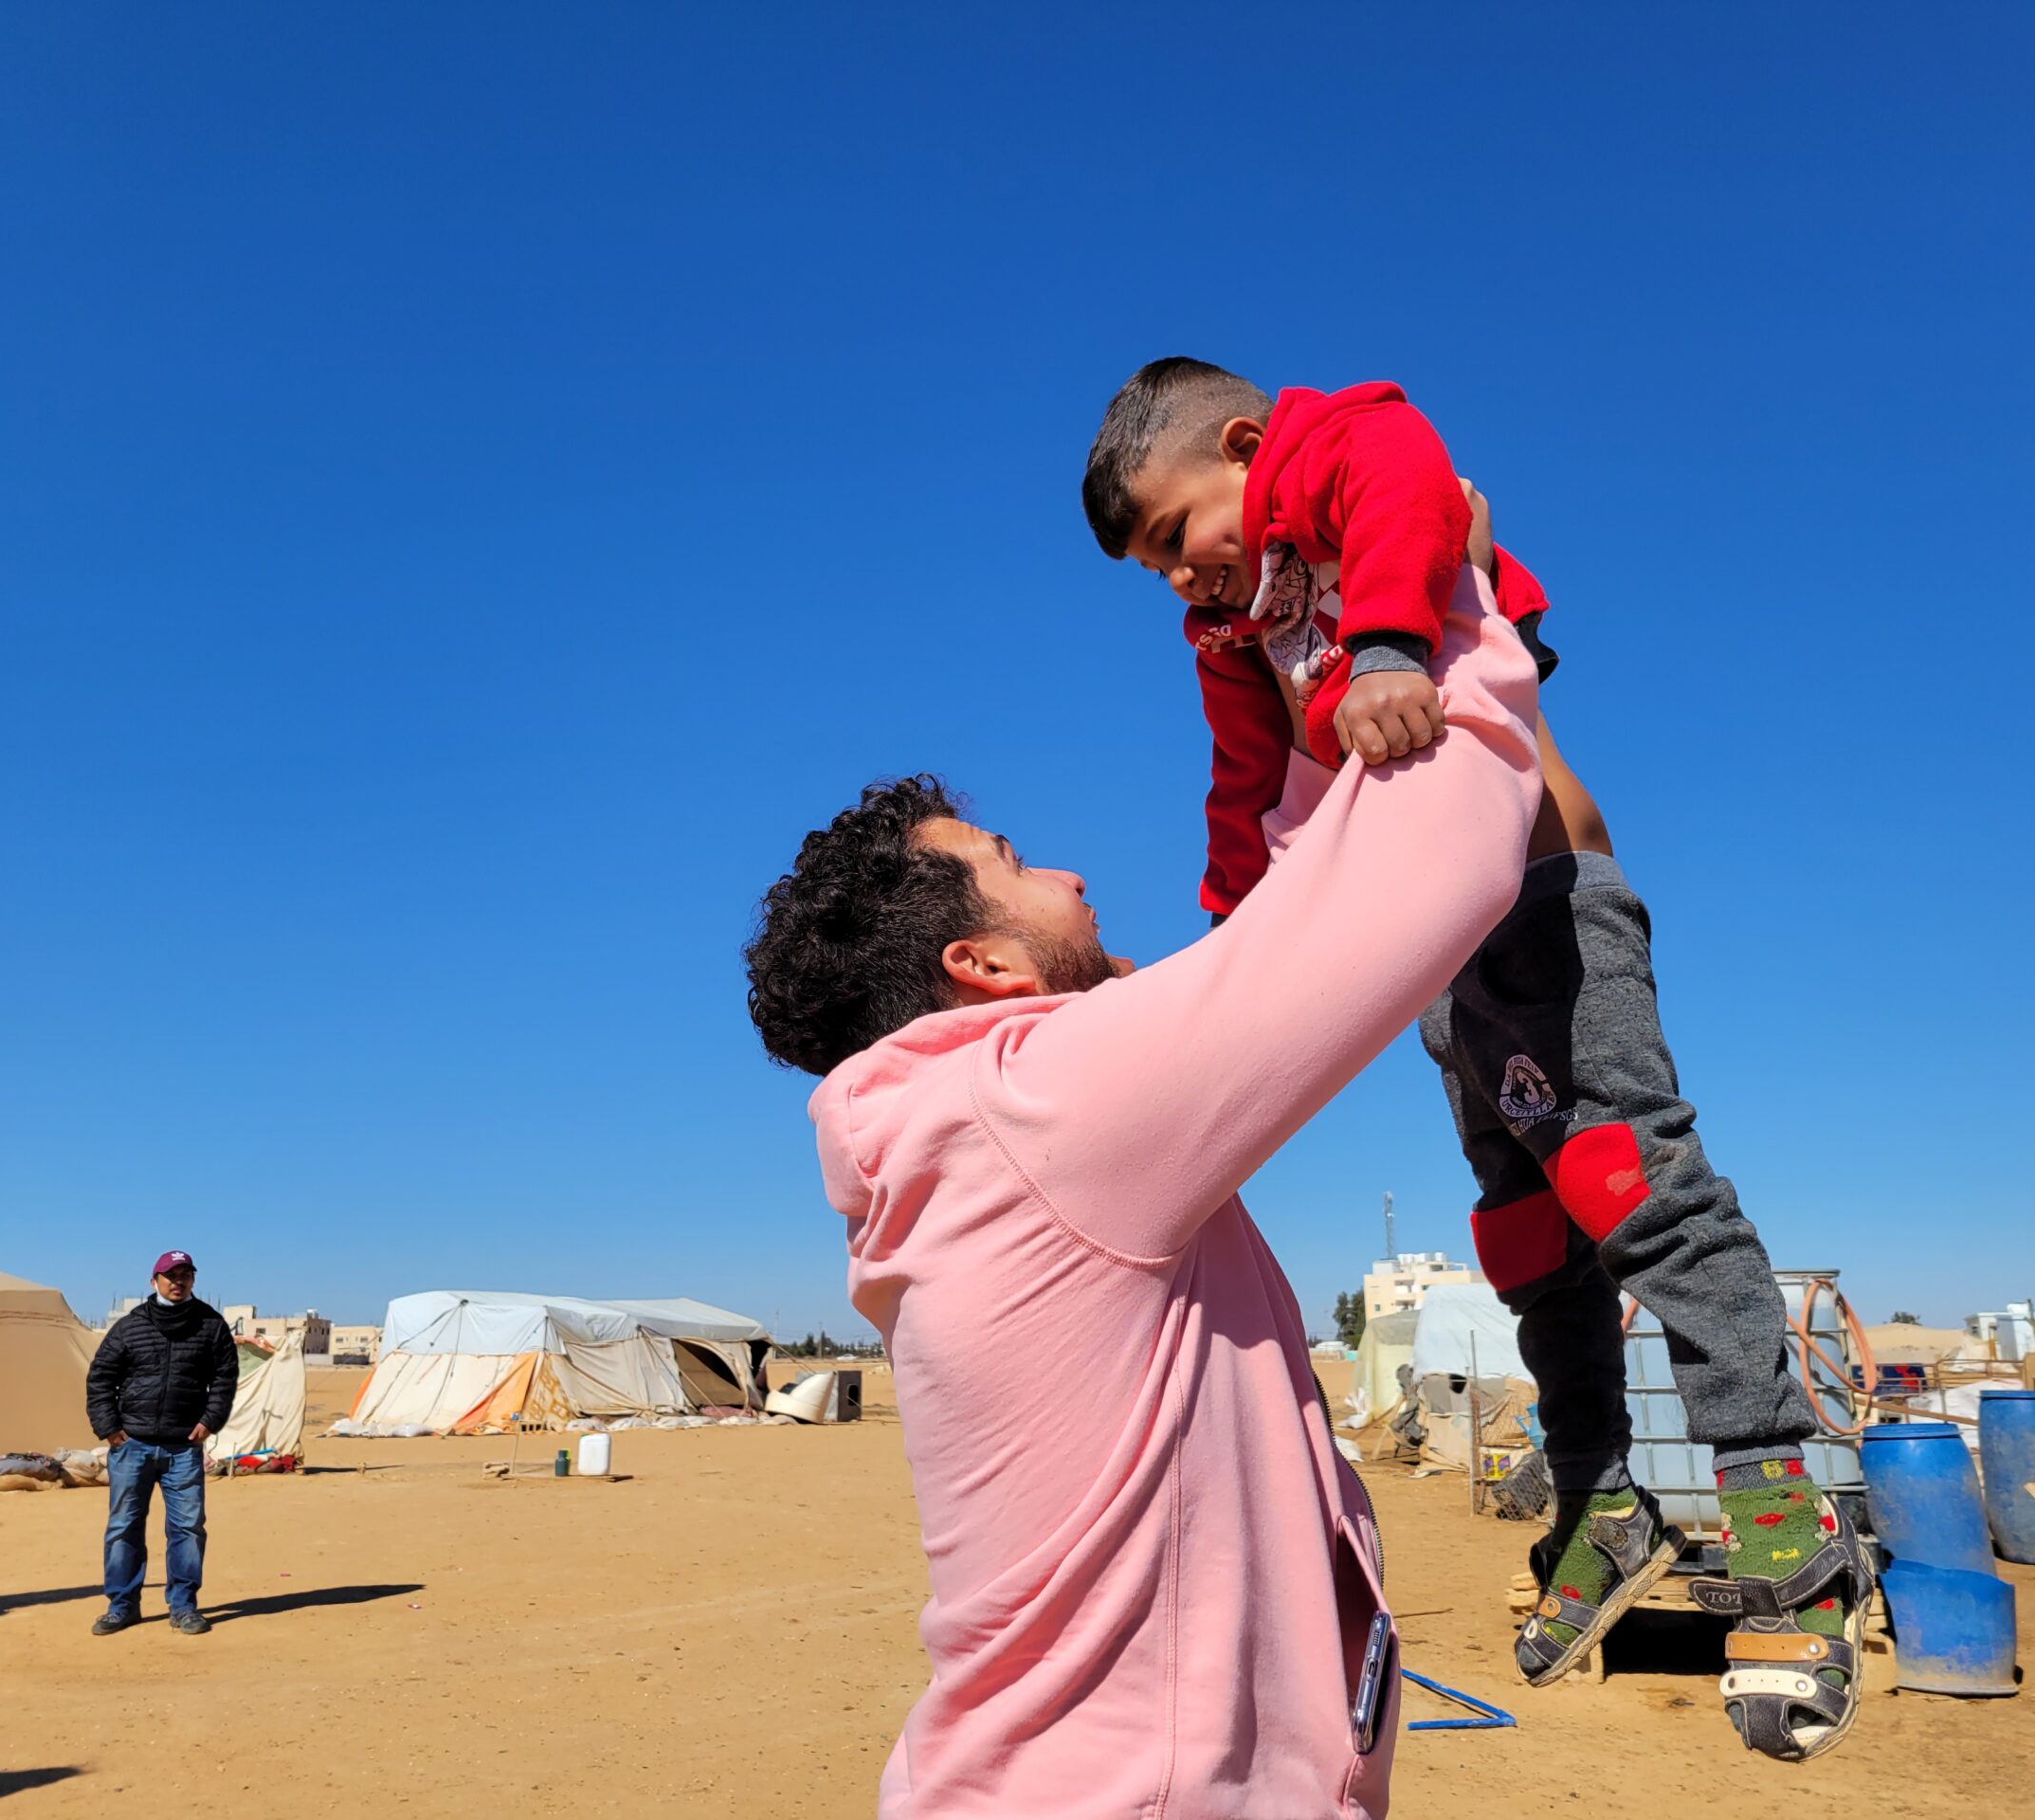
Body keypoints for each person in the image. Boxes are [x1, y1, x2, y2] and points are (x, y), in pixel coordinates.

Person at [1082, 357, 1873, 1763]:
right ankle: (1597, 1493)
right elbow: (1245, 792)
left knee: (1635, 1187)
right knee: (1520, 1231)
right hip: (1444, 954)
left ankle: (1784, 1511)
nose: (1173, 581)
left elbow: (1412, 490)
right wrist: (1220, 955)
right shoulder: (1241, 636)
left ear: (1248, 450)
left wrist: (1386, 642)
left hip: (1550, 907)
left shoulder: (1345, 459)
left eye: (1169, 536)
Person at [747, 593, 1540, 1818]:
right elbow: (1428, 873)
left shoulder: (970, 1138)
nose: (1070, 872)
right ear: (986, 968)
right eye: (1017, 864)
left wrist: (1295, 697)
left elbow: (1279, 929)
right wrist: (1457, 614)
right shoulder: (1033, 1110)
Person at [83, 1249, 237, 1637]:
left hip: (183, 1446)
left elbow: (224, 1378)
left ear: (193, 1281)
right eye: (170, 1275)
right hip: (131, 1444)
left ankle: (184, 1607)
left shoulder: (210, 1325)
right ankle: (122, 1606)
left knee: (187, 1528)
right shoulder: (130, 1327)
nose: (178, 1281)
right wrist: (108, 1426)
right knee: (123, 1527)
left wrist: (210, 1420)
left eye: (185, 1275)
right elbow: (100, 1377)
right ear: (154, 1282)